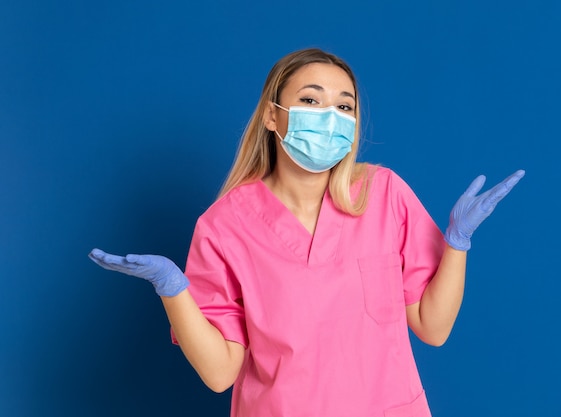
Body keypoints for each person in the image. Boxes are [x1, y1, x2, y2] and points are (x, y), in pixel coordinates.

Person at [89, 48, 525, 417]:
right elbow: (220, 374)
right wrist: (174, 290)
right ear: (272, 117)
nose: (330, 117)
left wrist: (456, 244)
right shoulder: (225, 226)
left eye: (344, 106)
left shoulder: (383, 193)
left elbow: (433, 327)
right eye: (311, 101)